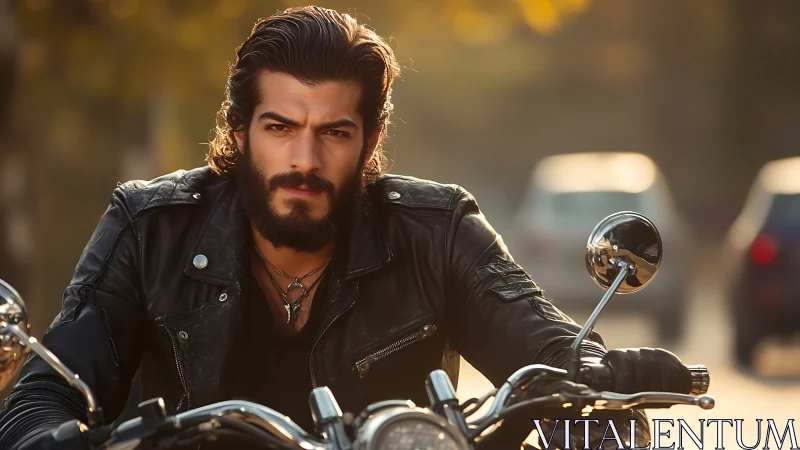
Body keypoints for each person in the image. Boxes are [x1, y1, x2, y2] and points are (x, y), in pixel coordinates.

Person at [0, 6, 691, 449]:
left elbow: (540, 344)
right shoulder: (150, 229)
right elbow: (44, 390)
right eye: (280, 128)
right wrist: (51, 437)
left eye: (334, 132)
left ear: (368, 140)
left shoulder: (438, 230)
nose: (304, 159)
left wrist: (597, 372)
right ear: (240, 131)